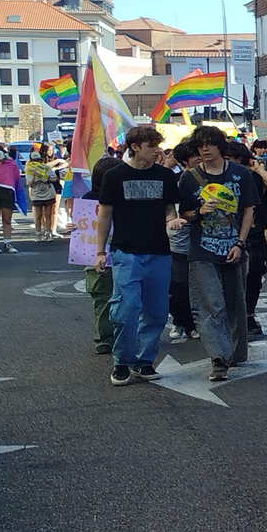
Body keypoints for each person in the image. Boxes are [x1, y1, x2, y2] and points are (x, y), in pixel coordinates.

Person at [93, 125, 179, 387]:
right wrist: (100, 251)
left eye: (157, 145)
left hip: (159, 252)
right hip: (126, 252)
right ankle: (122, 361)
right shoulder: (115, 175)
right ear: (135, 147)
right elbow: (104, 214)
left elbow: (169, 209)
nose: (157, 150)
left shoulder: (166, 176)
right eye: (151, 146)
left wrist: (172, 221)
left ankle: (144, 362)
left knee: (156, 311)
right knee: (126, 310)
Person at [178, 125, 255, 382]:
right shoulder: (189, 178)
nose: (204, 149)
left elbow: (248, 210)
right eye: (200, 145)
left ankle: (234, 351)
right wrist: (199, 212)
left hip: (233, 247)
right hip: (202, 249)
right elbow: (185, 213)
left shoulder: (240, 173)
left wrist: (240, 243)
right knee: (210, 304)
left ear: (220, 146)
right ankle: (218, 358)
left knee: (235, 303)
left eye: (209, 144)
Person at [226, 139, 267, 338]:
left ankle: (249, 314)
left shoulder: (255, 177)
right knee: (232, 278)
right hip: (231, 234)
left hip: (256, 235)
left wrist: (258, 169)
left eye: (230, 159)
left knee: (254, 276)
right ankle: (232, 316)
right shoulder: (221, 179)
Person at [79, 141, 124, 353]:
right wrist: (74, 226)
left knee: (114, 299)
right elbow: (83, 225)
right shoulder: (88, 200)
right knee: (102, 297)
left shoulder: (124, 198)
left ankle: (114, 336)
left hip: (119, 253)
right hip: (98, 255)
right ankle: (105, 338)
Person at [165, 140, 198, 344]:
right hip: (178, 241)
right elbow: (166, 207)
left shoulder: (210, 180)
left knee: (199, 286)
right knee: (179, 284)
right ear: (185, 160)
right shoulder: (175, 180)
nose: (201, 157)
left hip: (202, 240)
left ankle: (193, 323)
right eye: (196, 155)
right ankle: (180, 321)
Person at [25, 143, 61, 240]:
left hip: (47, 191)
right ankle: (38, 234)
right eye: (34, 161)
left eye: (38, 160)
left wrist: (46, 178)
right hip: (36, 193)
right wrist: (34, 176)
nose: (36, 163)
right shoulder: (29, 170)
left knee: (48, 214)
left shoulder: (46, 168)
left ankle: (48, 233)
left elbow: (54, 179)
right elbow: (30, 183)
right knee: (38, 214)